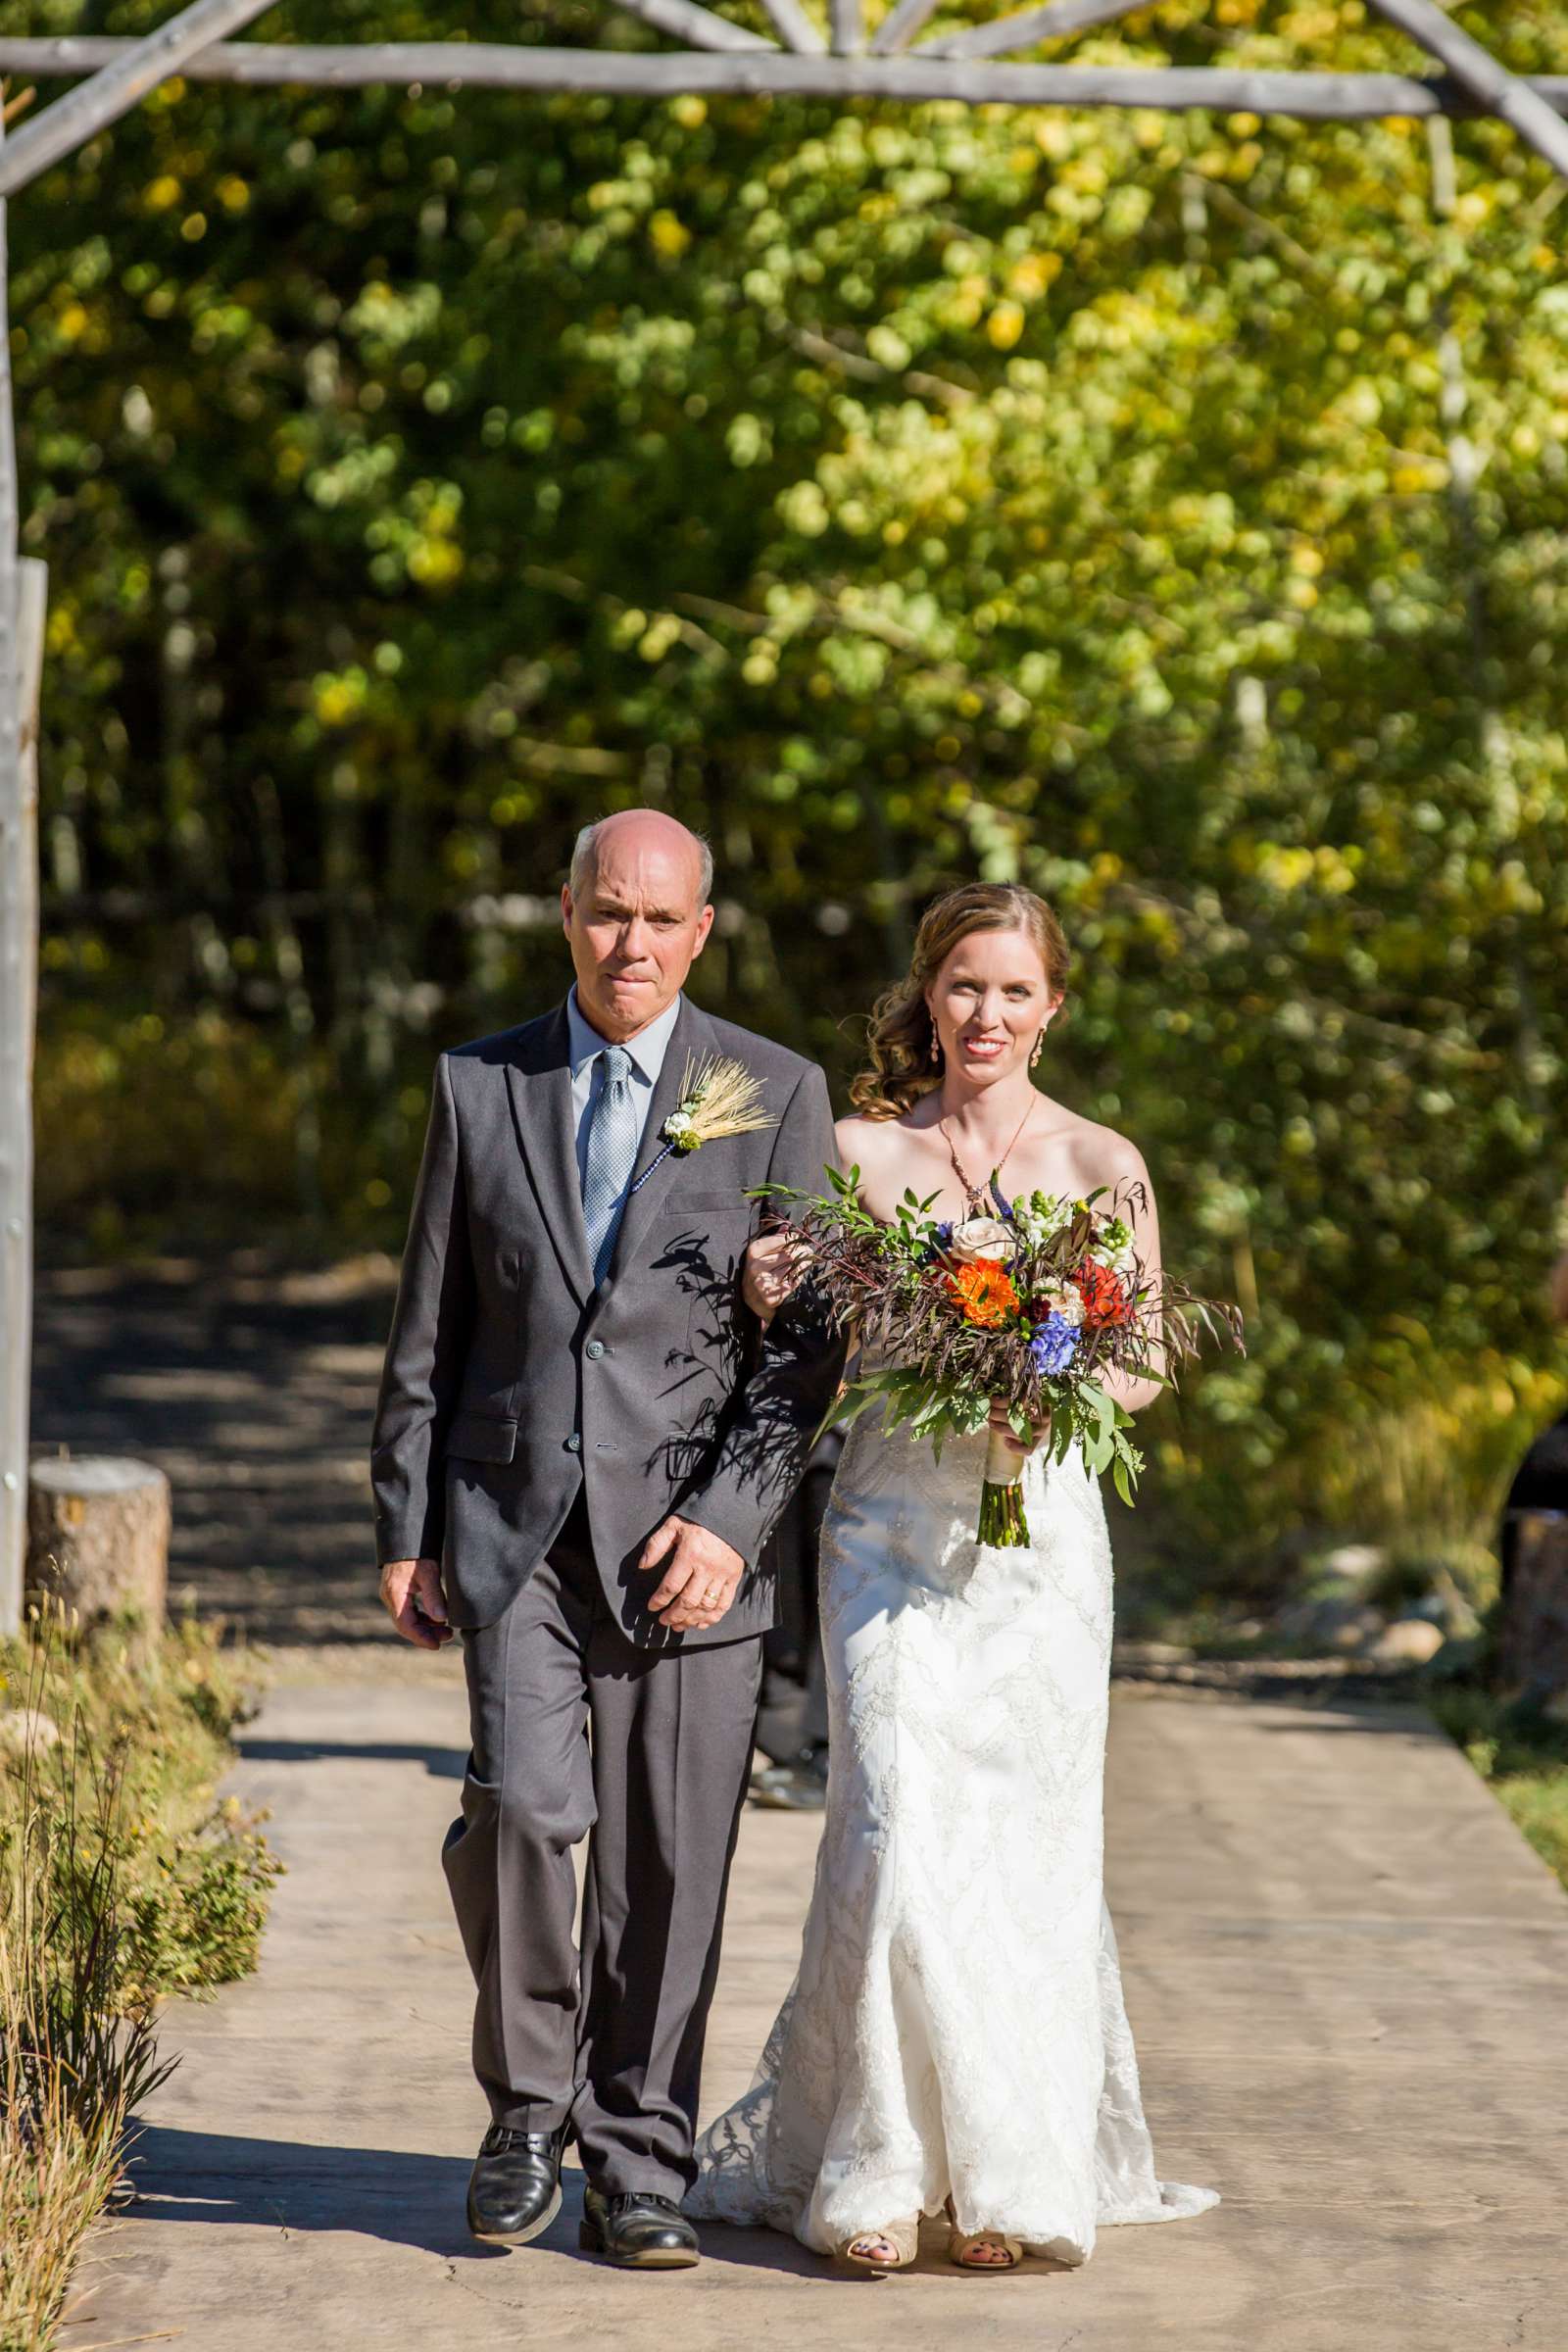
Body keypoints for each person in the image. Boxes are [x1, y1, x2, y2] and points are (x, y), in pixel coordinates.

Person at [687, 882, 1218, 2274]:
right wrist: (761, 1287)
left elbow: (1148, 1363)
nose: (986, 1014)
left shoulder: (1106, 1164)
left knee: (1024, 1850)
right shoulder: (861, 1150)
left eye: (1013, 990)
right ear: (929, 997)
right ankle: (873, 2170)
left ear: (1054, 1008)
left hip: (1037, 1548)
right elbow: (796, 1331)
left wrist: (1058, 1381)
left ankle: (1002, 2173)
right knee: (891, 1825)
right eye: (963, 986)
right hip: (882, 1533)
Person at [369, 809, 844, 2271]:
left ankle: (642, 2158)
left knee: (668, 1862)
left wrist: (732, 1521)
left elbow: (809, 1350)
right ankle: (525, 2118)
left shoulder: (770, 1090)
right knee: (517, 1806)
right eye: (604, 913)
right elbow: (432, 1317)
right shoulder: (479, 1082)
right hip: (512, 1527)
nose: (629, 943)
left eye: (659, 919)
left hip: (691, 1552)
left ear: (702, 932)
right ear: (564, 915)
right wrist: (404, 1520)